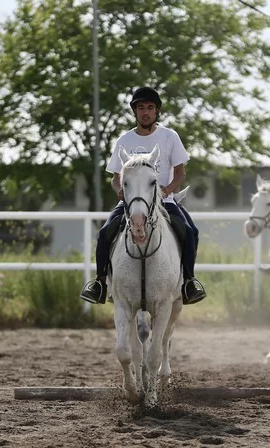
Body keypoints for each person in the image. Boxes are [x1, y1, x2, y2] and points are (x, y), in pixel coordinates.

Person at [79, 86, 207, 306]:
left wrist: (166, 191)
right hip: (131, 203)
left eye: (150, 107)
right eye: (141, 108)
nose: (145, 112)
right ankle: (100, 283)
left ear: (157, 111)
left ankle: (188, 281)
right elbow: (115, 177)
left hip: (163, 201)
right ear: (135, 112)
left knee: (189, 231)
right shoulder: (124, 141)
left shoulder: (169, 137)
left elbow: (180, 173)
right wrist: (120, 191)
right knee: (103, 233)